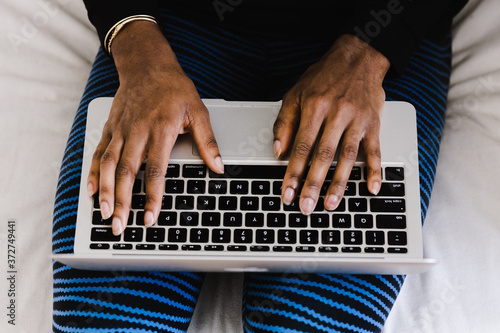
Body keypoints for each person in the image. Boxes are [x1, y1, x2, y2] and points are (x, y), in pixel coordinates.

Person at [52, 0, 468, 332]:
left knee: (305, 323)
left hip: (380, 26)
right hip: (173, 25)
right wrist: (138, 49)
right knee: (104, 321)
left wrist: (369, 54)